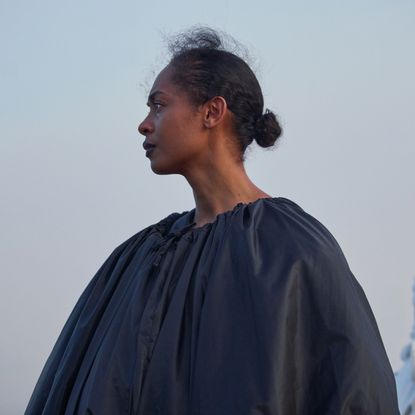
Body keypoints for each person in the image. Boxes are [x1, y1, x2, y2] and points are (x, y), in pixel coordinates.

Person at [25, 27, 399, 414]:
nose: (144, 123)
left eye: (159, 105)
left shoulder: (292, 249)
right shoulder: (137, 258)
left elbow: (351, 386)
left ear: (212, 112)